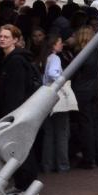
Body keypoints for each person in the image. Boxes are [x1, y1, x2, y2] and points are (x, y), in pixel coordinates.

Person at [0, 25, 41, 191]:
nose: (2, 39)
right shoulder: (11, 58)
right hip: (17, 110)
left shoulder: (15, 60)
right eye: (0, 36)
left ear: (15, 39)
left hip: (15, 112)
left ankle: (28, 185)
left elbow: (17, 89)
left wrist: (12, 115)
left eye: (6, 37)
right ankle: (23, 184)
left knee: (20, 147)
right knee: (19, 147)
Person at [70, 26, 98, 169]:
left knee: (85, 124)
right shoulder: (97, 51)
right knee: (96, 122)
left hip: (82, 91)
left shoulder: (81, 53)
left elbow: (74, 72)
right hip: (94, 89)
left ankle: (88, 158)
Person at [38, 32, 72, 172]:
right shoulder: (55, 58)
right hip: (56, 97)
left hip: (44, 97)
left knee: (49, 133)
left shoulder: (43, 58)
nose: (62, 44)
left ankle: (47, 164)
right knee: (62, 132)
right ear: (53, 45)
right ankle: (62, 164)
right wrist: (62, 80)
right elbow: (53, 73)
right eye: (59, 42)